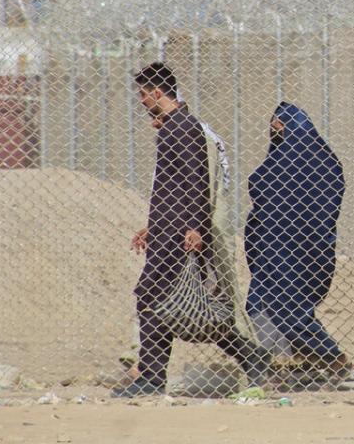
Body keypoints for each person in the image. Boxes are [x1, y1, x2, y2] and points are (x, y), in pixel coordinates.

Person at [113, 63, 269, 398]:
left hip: (181, 235)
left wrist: (195, 227)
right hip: (169, 231)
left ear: (157, 92)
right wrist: (152, 228)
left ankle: (153, 378)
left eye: (143, 94)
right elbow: (173, 188)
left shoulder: (182, 128)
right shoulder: (174, 127)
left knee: (152, 298)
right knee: (173, 303)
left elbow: (196, 180)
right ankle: (251, 356)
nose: (140, 101)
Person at [244, 103, 349, 380]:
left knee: (287, 304)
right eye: (272, 121)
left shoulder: (318, 159)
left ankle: (329, 355)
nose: (274, 127)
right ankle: (274, 364)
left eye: (281, 121)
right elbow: (261, 186)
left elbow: (323, 201)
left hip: (303, 245)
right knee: (257, 304)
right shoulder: (278, 158)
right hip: (270, 244)